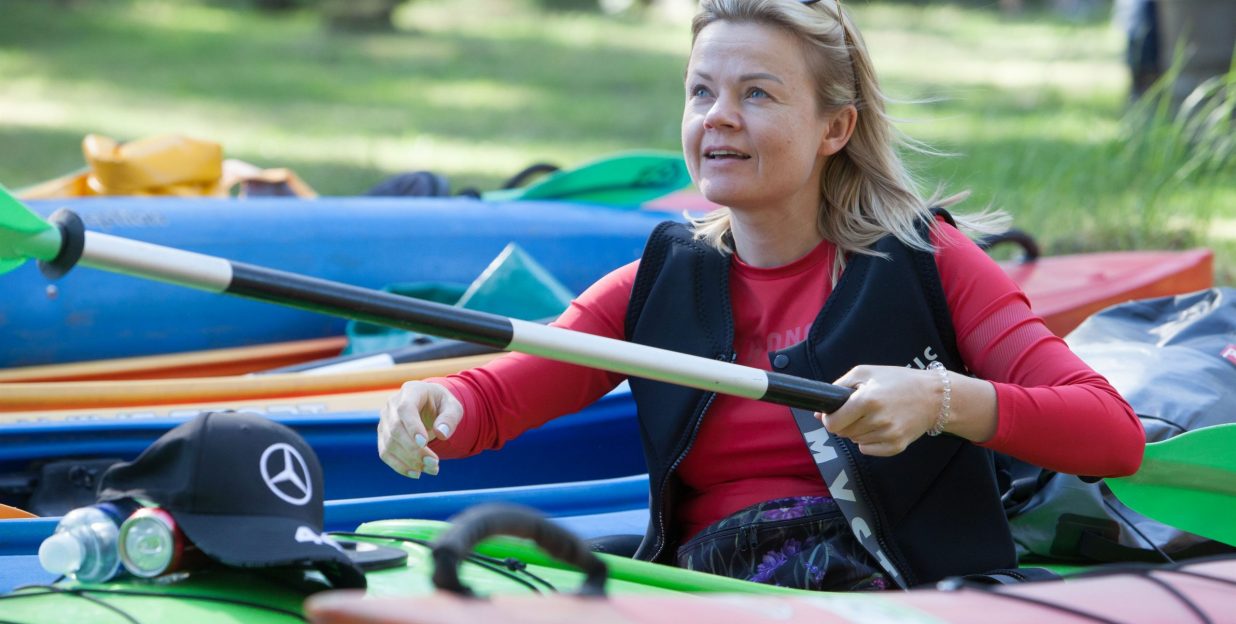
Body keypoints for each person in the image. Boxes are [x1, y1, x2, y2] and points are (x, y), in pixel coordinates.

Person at [378, 0, 1144, 591]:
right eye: (701, 91)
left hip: (902, 599)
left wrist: (941, 400)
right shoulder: (657, 283)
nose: (718, 115)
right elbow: (492, 401)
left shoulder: (928, 261)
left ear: (834, 128)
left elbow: (1112, 434)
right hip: (709, 592)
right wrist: (433, 405)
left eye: (756, 93)